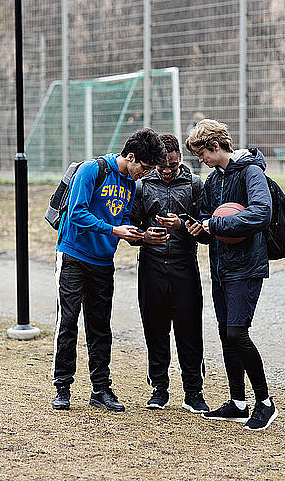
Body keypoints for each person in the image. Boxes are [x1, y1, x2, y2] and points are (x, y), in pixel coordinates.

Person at [51, 128, 167, 412]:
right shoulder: (93, 170)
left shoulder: (129, 184)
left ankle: (100, 389)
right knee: (68, 321)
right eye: (145, 167)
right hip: (73, 256)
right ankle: (62, 386)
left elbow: (122, 217)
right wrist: (113, 229)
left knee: (100, 326)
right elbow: (77, 212)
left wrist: (139, 235)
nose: (146, 173)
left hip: (103, 262)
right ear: (130, 156)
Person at [185, 119, 278, 431]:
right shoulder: (214, 181)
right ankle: (238, 403)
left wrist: (217, 225)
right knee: (227, 334)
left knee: (238, 333)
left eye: (202, 155)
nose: (201, 161)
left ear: (215, 146)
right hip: (220, 268)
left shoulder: (251, 171)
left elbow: (261, 213)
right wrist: (198, 229)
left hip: (246, 267)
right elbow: (208, 222)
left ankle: (265, 403)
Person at [129, 133, 209, 414]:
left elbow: (204, 229)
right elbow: (130, 226)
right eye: (162, 166)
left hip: (184, 266)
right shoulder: (141, 186)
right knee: (155, 329)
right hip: (151, 266)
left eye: (172, 166)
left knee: (189, 330)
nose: (166, 171)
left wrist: (182, 223)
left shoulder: (195, 184)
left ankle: (194, 392)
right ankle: (159, 389)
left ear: (180, 160)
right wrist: (143, 236)